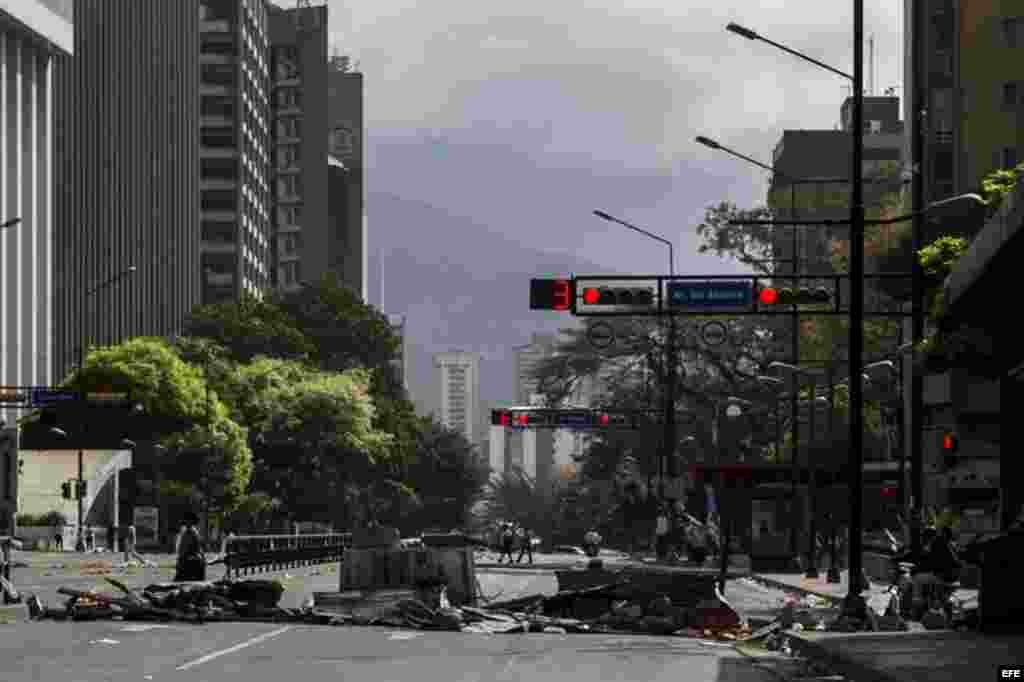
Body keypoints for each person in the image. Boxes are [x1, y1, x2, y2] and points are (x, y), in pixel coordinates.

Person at [174, 512, 206, 582]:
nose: (188, 523)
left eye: (189, 521)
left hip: (192, 561)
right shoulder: (184, 532)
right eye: (186, 521)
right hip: (186, 560)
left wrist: (201, 557)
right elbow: (181, 548)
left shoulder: (193, 532)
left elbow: (197, 547)